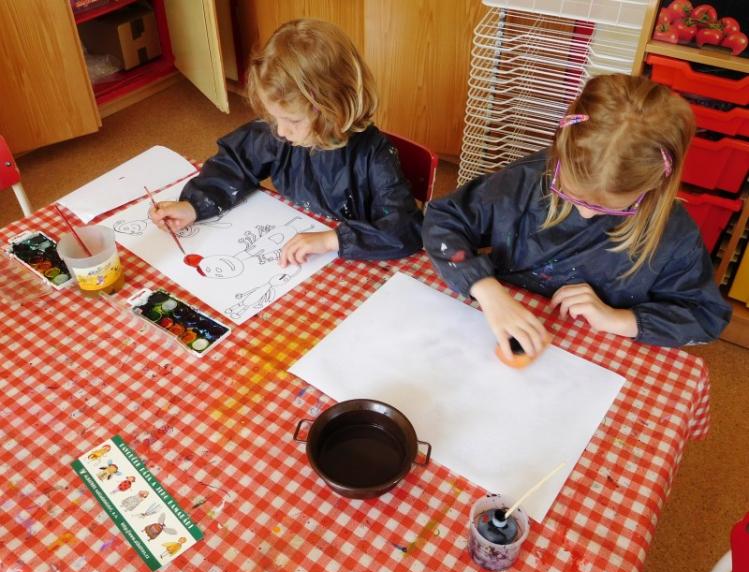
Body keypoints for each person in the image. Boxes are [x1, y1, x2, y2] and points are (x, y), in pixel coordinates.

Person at [423, 74, 731, 359]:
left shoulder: (674, 236)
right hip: (503, 318)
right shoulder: (527, 180)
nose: (585, 212)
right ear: (560, 152)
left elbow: (706, 317)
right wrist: (487, 290)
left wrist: (619, 319)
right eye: (570, 193)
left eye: (609, 208)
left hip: (596, 356)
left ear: (655, 185)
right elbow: (444, 220)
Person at [149, 19, 422, 266]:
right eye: (274, 118)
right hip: (299, 252)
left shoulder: (374, 155)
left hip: (356, 260)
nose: (280, 130)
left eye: (292, 120)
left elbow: (405, 228)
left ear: (331, 110)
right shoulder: (281, 135)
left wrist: (332, 240)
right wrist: (194, 205)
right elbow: (235, 162)